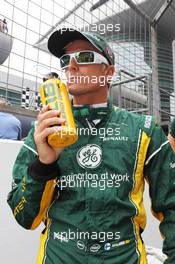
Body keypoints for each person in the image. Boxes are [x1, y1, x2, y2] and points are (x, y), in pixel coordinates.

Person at [7, 28, 175, 264]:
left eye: (85, 57)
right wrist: (44, 164)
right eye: (65, 60)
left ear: (109, 72)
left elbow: (172, 205)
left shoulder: (143, 129)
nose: (71, 67)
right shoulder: (43, 130)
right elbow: (24, 216)